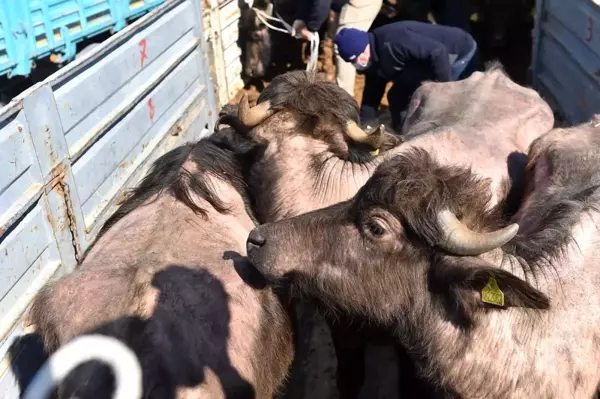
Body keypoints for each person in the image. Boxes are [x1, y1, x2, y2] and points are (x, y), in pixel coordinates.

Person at [334, 20, 478, 132]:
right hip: (425, 65)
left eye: (356, 58)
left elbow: (437, 52)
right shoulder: (374, 61)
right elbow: (371, 98)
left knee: (442, 106)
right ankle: (405, 135)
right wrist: (364, 129)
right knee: (396, 97)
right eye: (351, 62)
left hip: (456, 54)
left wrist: (443, 91)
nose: (357, 64)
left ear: (364, 47)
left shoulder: (393, 41)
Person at [291, 0, 383, 96]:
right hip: (343, 4)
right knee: (332, 37)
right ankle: (330, 78)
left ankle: (344, 98)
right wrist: (300, 18)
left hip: (361, 3)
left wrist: (311, 28)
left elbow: (322, 2)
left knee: (346, 47)